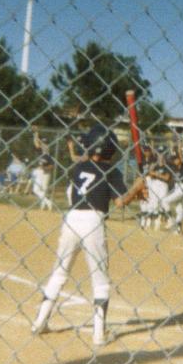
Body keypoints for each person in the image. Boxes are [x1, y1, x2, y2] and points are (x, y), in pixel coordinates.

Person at [31, 124, 145, 346]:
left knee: (59, 273)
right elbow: (120, 201)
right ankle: (99, 334)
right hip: (93, 221)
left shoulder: (79, 167)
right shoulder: (112, 171)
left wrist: (137, 190)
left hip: (71, 219)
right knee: (100, 281)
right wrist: (137, 188)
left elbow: (88, 168)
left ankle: (39, 322)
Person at [144, 145, 172, 230]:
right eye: (159, 153)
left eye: (162, 153)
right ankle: (153, 222)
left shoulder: (167, 165)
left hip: (163, 185)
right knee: (154, 202)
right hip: (155, 184)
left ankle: (169, 219)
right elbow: (150, 173)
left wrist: (156, 174)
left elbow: (166, 178)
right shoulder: (155, 165)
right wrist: (155, 172)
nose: (160, 155)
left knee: (163, 202)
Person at [162, 149, 183, 232]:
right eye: (174, 160)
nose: (175, 161)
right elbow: (167, 161)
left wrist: (179, 148)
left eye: (176, 159)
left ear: (179, 159)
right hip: (177, 187)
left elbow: (181, 157)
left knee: (164, 201)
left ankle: (170, 220)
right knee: (179, 208)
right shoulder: (174, 167)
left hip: (182, 187)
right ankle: (178, 228)